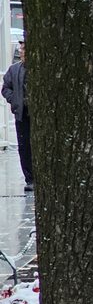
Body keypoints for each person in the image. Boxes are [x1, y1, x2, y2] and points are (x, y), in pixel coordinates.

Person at [2, 42, 30, 192]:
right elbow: (6, 88)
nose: (21, 52)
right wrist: (15, 100)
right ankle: (30, 178)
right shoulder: (14, 70)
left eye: (23, 49)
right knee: (24, 147)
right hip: (22, 114)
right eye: (21, 49)